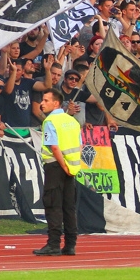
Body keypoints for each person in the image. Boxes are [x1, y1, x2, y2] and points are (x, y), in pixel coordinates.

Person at [34, 88, 82, 257]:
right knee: (69, 207)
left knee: (53, 205)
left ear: (56, 103)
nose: (42, 103)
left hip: (56, 166)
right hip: (71, 167)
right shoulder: (72, 121)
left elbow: (54, 147)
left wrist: (63, 166)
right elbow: (80, 145)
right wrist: (71, 167)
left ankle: (53, 244)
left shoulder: (50, 121)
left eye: (46, 100)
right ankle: (70, 245)